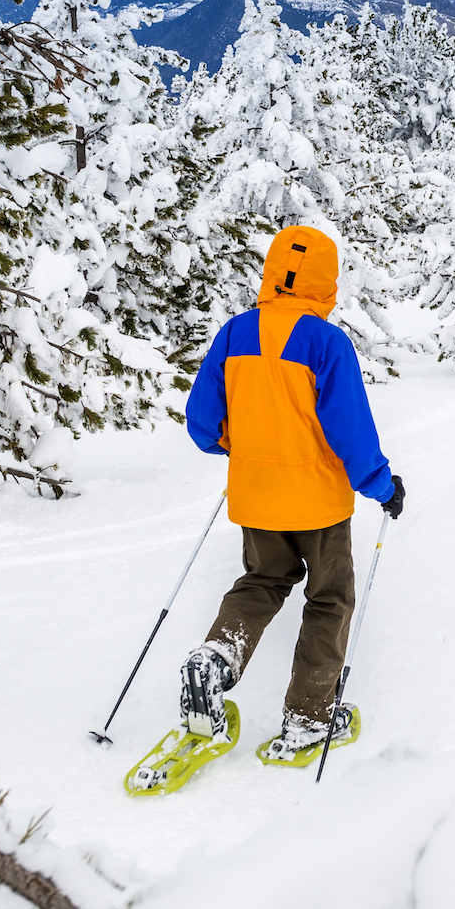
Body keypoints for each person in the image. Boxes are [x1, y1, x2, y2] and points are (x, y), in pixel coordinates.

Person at [177, 226, 406, 765]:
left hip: (256, 500)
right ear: (325, 281)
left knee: (262, 579)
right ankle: (308, 718)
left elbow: (203, 427)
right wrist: (382, 486)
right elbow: (350, 431)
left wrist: (245, 446)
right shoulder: (325, 342)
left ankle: (215, 657)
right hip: (319, 506)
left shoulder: (234, 334)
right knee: (328, 599)